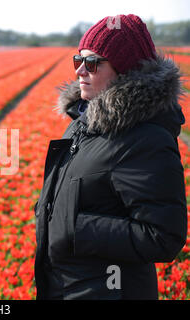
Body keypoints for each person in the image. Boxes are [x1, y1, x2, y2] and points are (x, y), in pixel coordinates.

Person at [33, 14, 188, 300]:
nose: (81, 70)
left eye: (92, 63)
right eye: (77, 60)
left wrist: (74, 228)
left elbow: (163, 236)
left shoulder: (145, 139)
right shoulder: (82, 122)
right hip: (69, 286)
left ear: (125, 70)